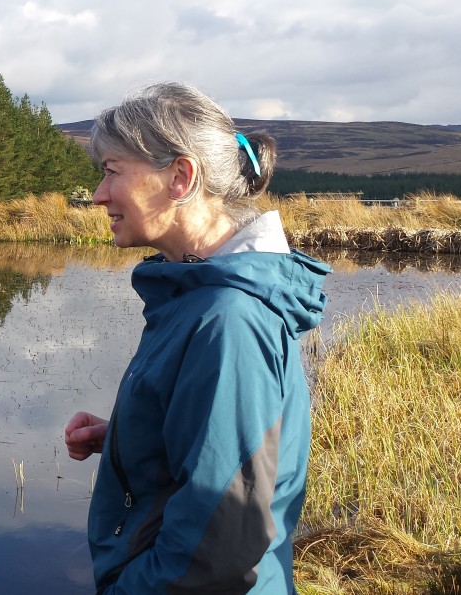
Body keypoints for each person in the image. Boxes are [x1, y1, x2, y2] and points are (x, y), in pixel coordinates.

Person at [63, 82, 330, 594]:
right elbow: (221, 449)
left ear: (180, 177)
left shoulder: (229, 317)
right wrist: (126, 435)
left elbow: (217, 551)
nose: (98, 195)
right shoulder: (202, 294)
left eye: (112, 171)